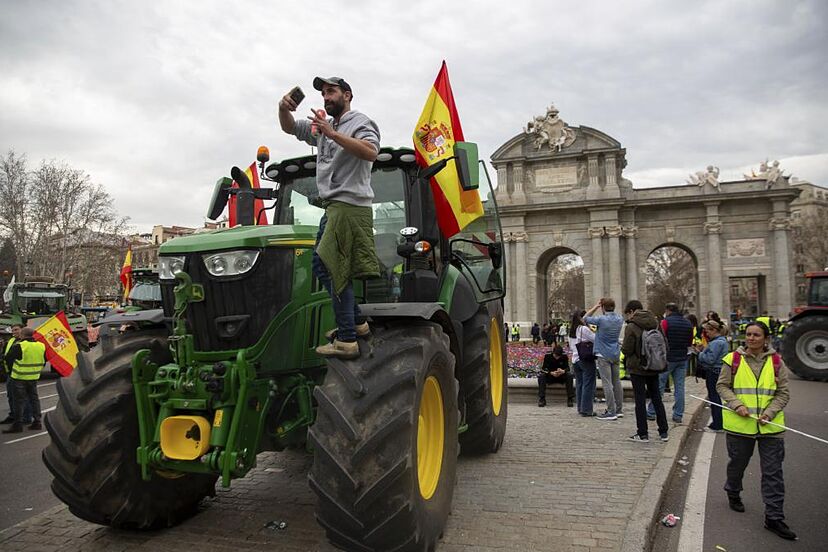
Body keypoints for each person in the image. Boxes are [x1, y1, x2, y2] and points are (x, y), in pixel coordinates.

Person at [279, 76, 380, 359]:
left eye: (332, 91)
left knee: (331, 268)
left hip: (348, 204)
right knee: (323, 266)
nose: (326, 96)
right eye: (323, 93)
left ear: (347, 95)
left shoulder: (359, 122)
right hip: (334, 206)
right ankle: (357, 323)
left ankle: (347, 337)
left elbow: (371, 152)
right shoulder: (326, 127)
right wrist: (283, 108)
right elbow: (289, 127)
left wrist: (332, 134)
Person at [716, 321, 796, 541]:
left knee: (773, 473)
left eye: (756, 335)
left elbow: (783, 393)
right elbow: (722, 386)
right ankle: (733, 490)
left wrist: (770, 412)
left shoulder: (777, 362)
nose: (751, 338)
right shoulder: (732, 359)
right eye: (748, 334)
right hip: (740, 427)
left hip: (770, 427)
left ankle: (774, 517)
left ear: (765, 338)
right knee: (737, 465)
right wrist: (737, 404)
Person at [622, 300, 669, 442]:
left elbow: (627, 349)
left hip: (637, 367)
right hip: (654, 365)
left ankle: (643, 433)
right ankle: (663, 432)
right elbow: (664, 343)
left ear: (631, 312)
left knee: (640, 400)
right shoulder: (656, 323)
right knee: (656, 398)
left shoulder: (631, 326)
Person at [648, 303, 693, 423]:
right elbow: (690, 341)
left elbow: (660, 339)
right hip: (682, 358)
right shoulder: (688, 323)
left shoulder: (665, 322)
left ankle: (652, 411)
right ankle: (678, 414)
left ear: (667, 310)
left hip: (667, 358)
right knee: (679, 387)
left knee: (659, 385)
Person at [584, 298, 624, 420]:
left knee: (607, 383)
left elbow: (585, 318)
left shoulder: (601, 319)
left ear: (603, 307)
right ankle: (619, 409)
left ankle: (611, 411)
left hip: (603, 354)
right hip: (615, 353)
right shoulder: (619, 319)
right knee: (617, 382)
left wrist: (595, 307)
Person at [2, 327, 46, 433]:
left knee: (18, 401)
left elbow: (8, 359)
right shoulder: (41, 345)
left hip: (19, 377)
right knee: (34, 399)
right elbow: (44, 361)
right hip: (34, 377)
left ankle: (17, 425)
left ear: (22, 335)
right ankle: (37, 422)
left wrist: (12, 370)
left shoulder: (20, 346)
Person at [695, 319, 728, 432]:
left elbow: (710, 359)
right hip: (718, 370)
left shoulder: (716, 343)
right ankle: (717, 422)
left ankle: (718, 423)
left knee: (714, 398)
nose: (706, 334)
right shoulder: (720, 341)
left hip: (714, 371)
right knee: (715, 397)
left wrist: (699, 353)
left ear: (714, 330)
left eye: (707, 331)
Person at [1, 324, 33, 426]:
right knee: (11, 396)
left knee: (23, 397)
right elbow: (6, 354)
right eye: (13, 330)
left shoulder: (25, 343)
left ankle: (26, 417)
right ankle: (14, 415)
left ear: (22, 330)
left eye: (16, 330)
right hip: (11, 372)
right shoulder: (11, 341)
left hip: (21, 373)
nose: (14, 332)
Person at [569, 310, 596, 417]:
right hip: (585, 359)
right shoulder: (583, 329)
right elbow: (595, 339)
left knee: (580, 385)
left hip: (575, 359)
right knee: (588, 385)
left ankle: (580, 408)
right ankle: (586, 409)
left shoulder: (572, 330)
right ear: (581, 318)